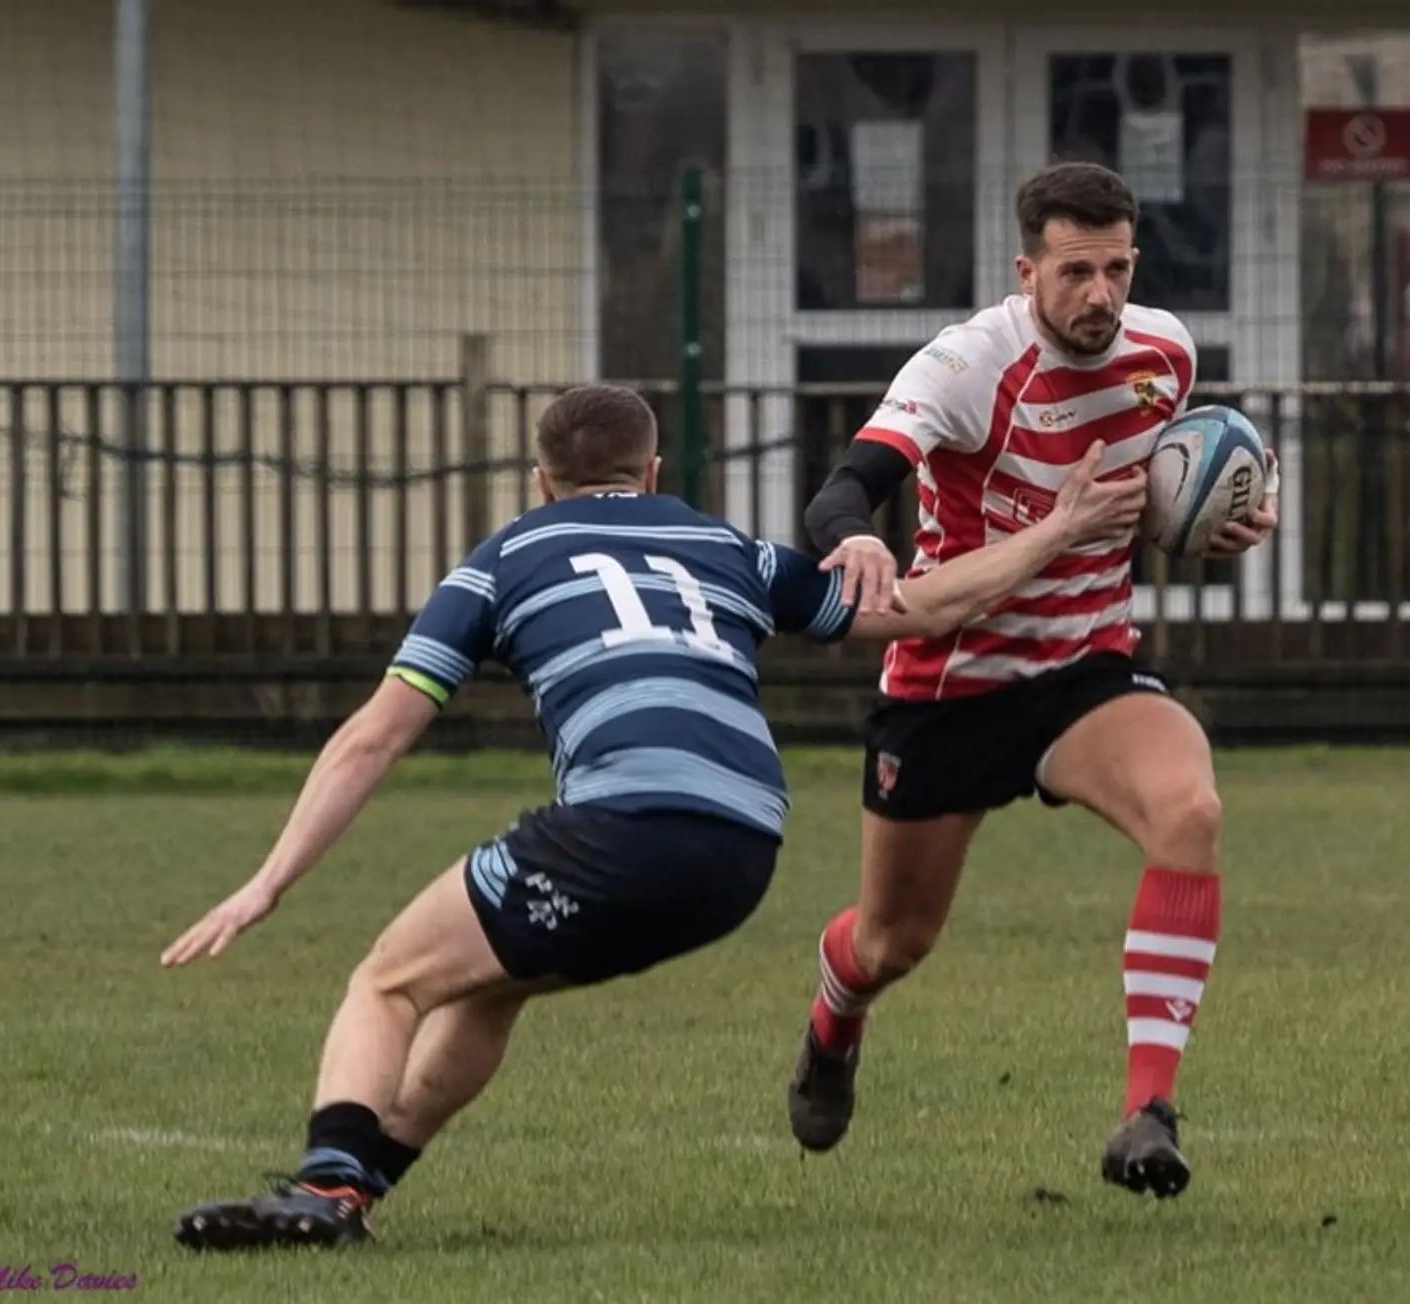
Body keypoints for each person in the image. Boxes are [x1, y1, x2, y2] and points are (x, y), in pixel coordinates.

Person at [159, 382, 1146, 1250]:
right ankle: (362, 1189)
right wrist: (1057, 529)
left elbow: (373, 737)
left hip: (617, 829)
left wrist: (268, 880)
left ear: (537, 479)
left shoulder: (501, 560)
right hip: (741, 852)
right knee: (482, 987)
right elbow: (925, 608)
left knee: (385, 978)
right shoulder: (722, 546)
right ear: (652, 469)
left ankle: (325, 1182)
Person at [785, 161, 1281, 1200]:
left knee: (1187, 809)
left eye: (1114, 268)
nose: (1098, 294)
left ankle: (1147, 1110)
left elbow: (1146, 504)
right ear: (1028, 270)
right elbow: (844, 489)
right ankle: (832, 1026)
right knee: (890, 941)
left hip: (1084, 670)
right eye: (1073, 272)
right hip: (948, 688)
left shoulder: (1165, 354)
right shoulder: (968, 364)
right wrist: (855, 547)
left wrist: (1212, 525)